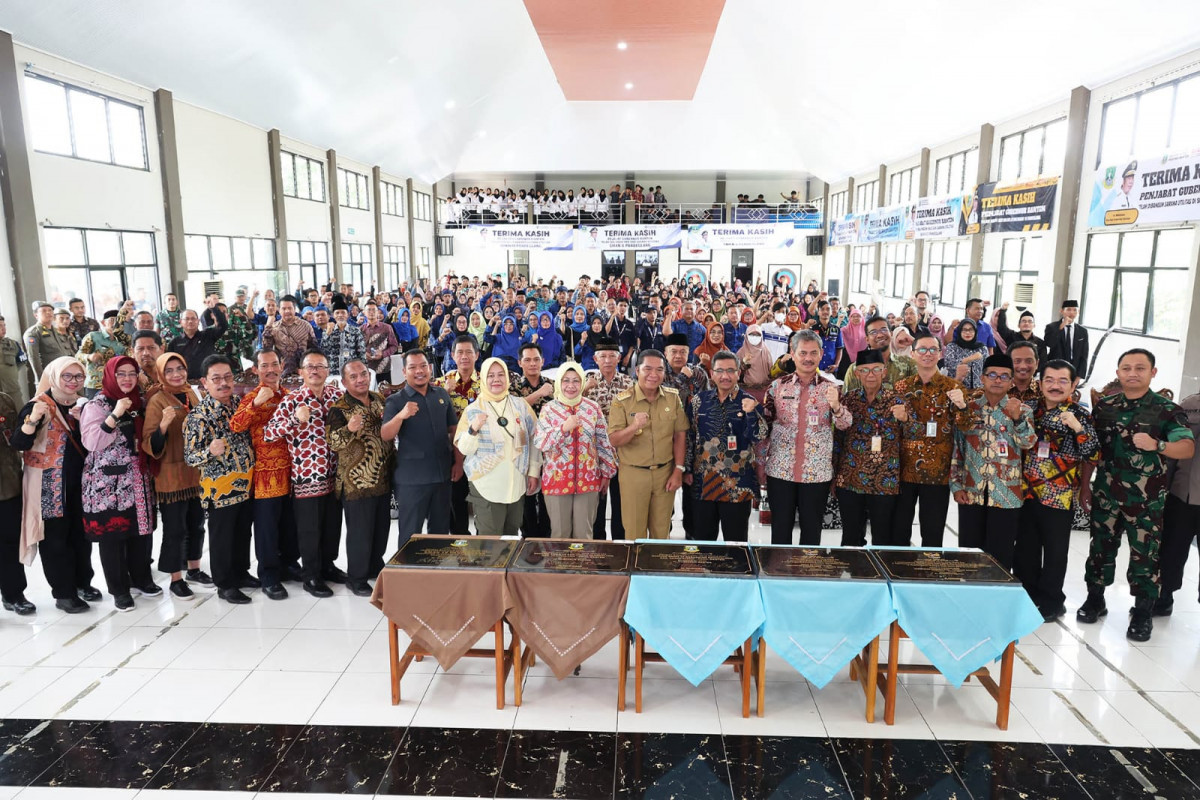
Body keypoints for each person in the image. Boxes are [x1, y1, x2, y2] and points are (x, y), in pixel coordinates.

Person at [1077, 349, 1194, 642]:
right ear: (1118, 373)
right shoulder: (1104, 407)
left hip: (1146, 500)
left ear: (1152, 373)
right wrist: (1084, 485)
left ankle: (1143, 611)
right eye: (1126, 368)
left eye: (1140, 368)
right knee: (1100, 549)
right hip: (1106, 493)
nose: (1133, 373)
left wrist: (1159, 445)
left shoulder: (1166, 409)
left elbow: (1187, 448)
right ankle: (1095, 599)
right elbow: (1092, 450)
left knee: (1145, 556)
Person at [12, 356, 99, 612]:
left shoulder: (84, 405)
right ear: (54, 376)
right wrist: (32, 421)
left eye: (78, 377)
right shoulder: (38, 405)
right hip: (49, 485)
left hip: (80, 482)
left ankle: (83, 582)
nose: (73, 382)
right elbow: (18, 443)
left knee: (81, 536)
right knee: (56, 539)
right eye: (67, 376)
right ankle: (64, 593)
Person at [1016, 358, 1099, 621]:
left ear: (1074, 384)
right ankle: (1026, 595)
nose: (1055, 385)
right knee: (1026, 549)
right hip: (1025, 491)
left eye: (1063, 380)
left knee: (1055, 552)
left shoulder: (1081, 415)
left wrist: (1077, 429)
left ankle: (1052, 601)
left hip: (1059, 495)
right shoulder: (1027, 408)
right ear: (1039, 383)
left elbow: (1093, 453)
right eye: (1049, 380)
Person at [264, 349, 346, 598]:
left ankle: (328, 566)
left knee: (332, 526)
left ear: (328, 371)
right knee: (309, 530)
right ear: (301, 372)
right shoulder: (292, 400)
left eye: (320, 366)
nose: (315, 370)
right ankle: (311, 576)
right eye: (310, 366)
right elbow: (269, 433)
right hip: (306, 478)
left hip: (335, 474)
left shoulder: (337, 396)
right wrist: (294, 421)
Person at [79, 357, 158, 611]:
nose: (127, 379)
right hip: (107, 485)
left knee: (140, 533)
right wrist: (115, 414)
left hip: (138, 479)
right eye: (121, 374)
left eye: (131, 374)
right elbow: (92, 443)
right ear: (110, 376)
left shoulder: (141, 403)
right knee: (112, 538)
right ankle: (119, 589)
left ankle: (141, 578)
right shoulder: (96, 405)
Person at [761, 329, 852, 545]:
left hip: (816, 473)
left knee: (811, 533)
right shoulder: (777, 387)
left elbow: (845, 424)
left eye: (813, 353)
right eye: (802, 353)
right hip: (780, 471)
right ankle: (778, 573)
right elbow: (763, 428)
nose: (808, 358)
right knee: (780, 531)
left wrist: (837, 406)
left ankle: (807, 574)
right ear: (792, 354)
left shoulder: (832, 388)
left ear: (821, 354)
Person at [950, 353, 1036, 570]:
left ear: (1011, 381)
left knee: (1000, 555)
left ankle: (998, 600)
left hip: (1006, 493)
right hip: (972, 491)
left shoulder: (1022, 410)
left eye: (1004, 376)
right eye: (993, 375)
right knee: (969, 554)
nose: (998, 380)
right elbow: (958, 449)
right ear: (982, 378)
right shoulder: (968, 409)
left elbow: (1027, 443)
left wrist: (1016, 419)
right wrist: (956, 484)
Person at [184, 355, 256, 605]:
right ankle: (225, 584)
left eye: (227, 377)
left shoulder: (239, 403)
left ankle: (241, 572)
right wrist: (209, 451)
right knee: (223, 537)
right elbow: (191, 457)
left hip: (246, 484)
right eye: (216, 379)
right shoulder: (198, 416)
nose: (223, 383)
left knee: (243, 532)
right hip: (220, 490)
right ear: (204, 382)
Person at [230, 348, 300, 600]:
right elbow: (235, 425)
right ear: (256, 369)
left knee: (290, 525)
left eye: (274, 364)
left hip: (292, 472)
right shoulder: (252, 397)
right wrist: (257, 403)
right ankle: (269, 575)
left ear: (282, 366)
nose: (270, 369)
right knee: (267, 529)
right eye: (264, 365)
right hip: (264, 476)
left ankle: (289, 564)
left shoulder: (290, 396)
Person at [891, 333, 971, 546]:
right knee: (898, 534)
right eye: (923, 350)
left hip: (938, 472)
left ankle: (928, 577)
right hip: (903, 471)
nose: (928, 354)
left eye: (933, 349)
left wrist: (963, 407)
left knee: (933, 535)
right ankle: (898, 576)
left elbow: (967, 428)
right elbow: (892, 428)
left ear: (940, 353)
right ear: (913, 354)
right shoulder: (900, 387)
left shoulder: (954, 388)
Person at [684, 350, 768, 542]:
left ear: (739, 373)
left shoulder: (749, 401)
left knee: (736, 544)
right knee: (704, 543)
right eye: (720, 371)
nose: (725, 376)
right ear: (712, 373)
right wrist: (687, 469)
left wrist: (751, 413)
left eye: (731, 370)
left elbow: (759, 436)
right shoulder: (699, 401)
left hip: (738, 486)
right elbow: (689, 437)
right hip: (703, 483)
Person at [143, 352, 207, 600]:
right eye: (169, 371)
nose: (176, 374)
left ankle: (194, 568)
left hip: (195, 472)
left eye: (179, 368)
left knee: (197, 524)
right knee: (175, 529)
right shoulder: (157, 401)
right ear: (161, 374)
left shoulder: (192, 393)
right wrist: (163, 425)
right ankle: (175, 578)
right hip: (171, 476)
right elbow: (150, 441)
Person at [328, 359, 394, 596]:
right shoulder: (339, 408)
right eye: (353, 377)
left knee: (381, 528)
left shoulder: (378, 399)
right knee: (360, 533)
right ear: (344, 382)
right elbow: (333, 443)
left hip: (382, 477)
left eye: (363, 374)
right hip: (356, 482)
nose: (360, 379)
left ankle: (375, 566)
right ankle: (356, 578)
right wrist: (349, 429)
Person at [454, 357, 542, 535]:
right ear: (484, 379)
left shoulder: (521, 406)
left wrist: (533, 472)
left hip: (516, 482)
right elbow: (464, 449)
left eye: (501, 375)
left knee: (511, 537)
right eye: (491, 375)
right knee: (490, 544)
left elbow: (534, 440)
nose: (496, 380)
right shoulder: (473, 409)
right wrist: (473, 429)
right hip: (486, 483)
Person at [607, 349, 688, 539]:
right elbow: (614, 439)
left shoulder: (672, 397)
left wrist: (678, 470)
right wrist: (634, 427)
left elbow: (680, 435)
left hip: (664, 473)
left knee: (662, 533)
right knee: (634, 532)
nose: (653, 375)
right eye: (648, 369)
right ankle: (636, 569)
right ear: (637, 370)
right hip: (633, 474)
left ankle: (657, 569)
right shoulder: (622, 401)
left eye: (659, 370)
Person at [381, 350, 459, 545]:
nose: (419, 371)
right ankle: (408, 574)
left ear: (430, 368)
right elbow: (386, 435)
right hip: (412, 479)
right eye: (413, 367)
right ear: (404, 371)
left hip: (442, 475)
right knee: (410, 534)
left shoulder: (440, 394)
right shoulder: (395, 400)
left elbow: (453, 430)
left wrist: (458, 461)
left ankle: (436, 572)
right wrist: (401, 415)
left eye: (423, 366)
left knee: (440, 532)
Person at [533, 362, 616, 538]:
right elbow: (541, 443)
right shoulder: (549, 409)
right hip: (557, 480)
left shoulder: (592, 408)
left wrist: (607, 472)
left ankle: (582, 566)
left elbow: (603, 442)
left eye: (576, 381)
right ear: (558, 383)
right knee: (560, 534)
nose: (571, 386)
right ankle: (561, 567)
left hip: (588, 480)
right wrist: (562, 429)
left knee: (584, 534)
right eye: (565, 381)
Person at [836, 350, 902, 547]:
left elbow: (913, 434)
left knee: (883, 539)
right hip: (850, 478)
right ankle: (855, 576)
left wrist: (907, 419)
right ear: (857, 374)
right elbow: (838, 438)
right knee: (850, 538)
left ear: (884, 371)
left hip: (885, 479)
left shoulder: (897, 401)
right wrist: (834, 474)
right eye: (865, 370)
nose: (870, 375)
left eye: (876, 370)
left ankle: (881, 577)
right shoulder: (848, 400)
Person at [584, 338, 633, 540]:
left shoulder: (629, 383)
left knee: (622, 502)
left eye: (611, 356)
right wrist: (584, 389)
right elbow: (570, 405)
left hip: (622, 451)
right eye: (602, 356)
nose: (607, 360)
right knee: (597, 503)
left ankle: (621, 545)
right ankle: (598, 546)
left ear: (619, 358)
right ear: (595, 359)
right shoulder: (587, 380)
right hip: (595, 453)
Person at [1157, 391, 1200, 615]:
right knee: (1172, 548)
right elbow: (1173, 451)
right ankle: (1164, 595)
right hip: (1181, 493)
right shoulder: (1190, 404)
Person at [435, 335, 482, 535]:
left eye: (469, 352)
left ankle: (485, 540)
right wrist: (443, 393)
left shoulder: (487, 383)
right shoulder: (440, 384)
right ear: (453, 355)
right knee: (456, 500)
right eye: (460, 352)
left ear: (477, 355)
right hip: (452, 452)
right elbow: (428, 414)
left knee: (483, 500)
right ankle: (460, 539)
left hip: (482, 453)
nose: (464, 356)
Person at [509, 342, 553, 537]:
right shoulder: (513, 388)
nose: (532, 364)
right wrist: (539, 394)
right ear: (520, 363)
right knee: (526, 498)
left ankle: (545, 539)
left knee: (548, 500)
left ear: (542, 361)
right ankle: (528, 541)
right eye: (527, 360)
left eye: (536, 359)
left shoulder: (553, 386)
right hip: (523, 451)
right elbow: (512, 412)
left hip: (550, 453)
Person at [0, 390, 33, 615]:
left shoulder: (4, 399)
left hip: (7, 484)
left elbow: (17, 441)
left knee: (10, 543)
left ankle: (14, 594)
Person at [842, 316, 916, 392]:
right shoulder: (856, 369)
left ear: (891, 334)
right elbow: (846, 401)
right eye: (873, 332)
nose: (880, 335)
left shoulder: (908, 365)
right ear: (867, 339)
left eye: (884, 330)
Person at [170, 307, 230, 380]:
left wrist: (214, 308)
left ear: (198, 321)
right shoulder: (175, 342)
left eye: (193, 319)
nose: (190, 321)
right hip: (185, 381)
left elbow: (223, 326)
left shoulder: (208, 335)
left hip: (208, 380)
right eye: (187, 319)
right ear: (180, 322)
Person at [76, 310, 126, 398]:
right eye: (112, 320)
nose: (116, 323)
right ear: (103, 322)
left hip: (116, 384)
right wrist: (89, 357)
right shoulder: (93, 336)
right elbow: (78, 356)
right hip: (95, 384)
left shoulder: (123, 342)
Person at [260, 296, 315, 377]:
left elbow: (314, 348)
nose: (287, 311)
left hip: (304, 371)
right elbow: (267, 349)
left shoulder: (305, 325)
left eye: (290, 308)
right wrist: (268, 326)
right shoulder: (274, 327)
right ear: (279, 309)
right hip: (283, 373)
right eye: (284, 308)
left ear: (294, 309)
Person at [23, 304, 76, 379]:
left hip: (63, 373)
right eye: (44, 311)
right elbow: (34, 358)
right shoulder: (33, 333)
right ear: (36, 315)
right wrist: (41, 378)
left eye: (50, 310)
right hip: (49, 374)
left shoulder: (55, 331)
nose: (48, 312)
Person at [1044, 300, 1088, 381]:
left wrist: (1079, 376)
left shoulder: (1082, 331)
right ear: (1061, 311)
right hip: (1055, 367)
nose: (1071, 312)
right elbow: (1049, 343)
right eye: (1068, 309)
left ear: (1078, 312)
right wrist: (1061, 326)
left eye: (1075, 310)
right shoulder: (1051, 327)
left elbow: (1084, 355)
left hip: (1074, 368)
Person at [942, 318, 986, 390]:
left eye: (971, 330)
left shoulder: (982, 348)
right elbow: (949, 365)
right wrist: (969, 359)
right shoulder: (952, 346)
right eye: (964, 330)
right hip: (956, 388)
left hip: (978, 390)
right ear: (959, 331)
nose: (968, 333)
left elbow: (987, 368)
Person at [321, 305, 366, 375]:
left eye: (343, 312)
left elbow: (362, 353)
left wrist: (363, 370)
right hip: (332, 372)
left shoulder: (355, 331)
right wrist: (328, 333)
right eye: (337, 313)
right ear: (333, 315)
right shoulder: (327, 330)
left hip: (351, 371)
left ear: (347, 315)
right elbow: (323, 350)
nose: (340, 315)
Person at [360, 303, 399, 383]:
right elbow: (357, 348)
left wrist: (383, 354)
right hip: (367, 369)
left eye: (374, 310)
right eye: (369, 310)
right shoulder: (360, 330)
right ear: (364, 312)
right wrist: (363, 354)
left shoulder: (387, 328)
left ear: (377, 312)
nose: (371, 312)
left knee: (386, 393)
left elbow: (394, 346)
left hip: (384, 367)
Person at [736, 324, 773, 405]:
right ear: (746, 336)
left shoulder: (766, 351)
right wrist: (744, 363)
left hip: (764, 390)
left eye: (757, 335)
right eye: (752, 334)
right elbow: (736, 373)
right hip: (747, 391)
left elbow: (771, 371)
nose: (754, 337)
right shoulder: (741, 352)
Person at [0, 316, 29, 403]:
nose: (3, 328)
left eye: (4, 325)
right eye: (0, 326)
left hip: (12, 390)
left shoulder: (13, 344)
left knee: (18, 414)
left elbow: (22, 360)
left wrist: (11, 372)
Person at [1006, 340, 1041, 406]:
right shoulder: (997, 389)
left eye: (1029, 361)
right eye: (1017, 361)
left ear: (1037, 364)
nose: (1023, 366)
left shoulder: (1045, 391)